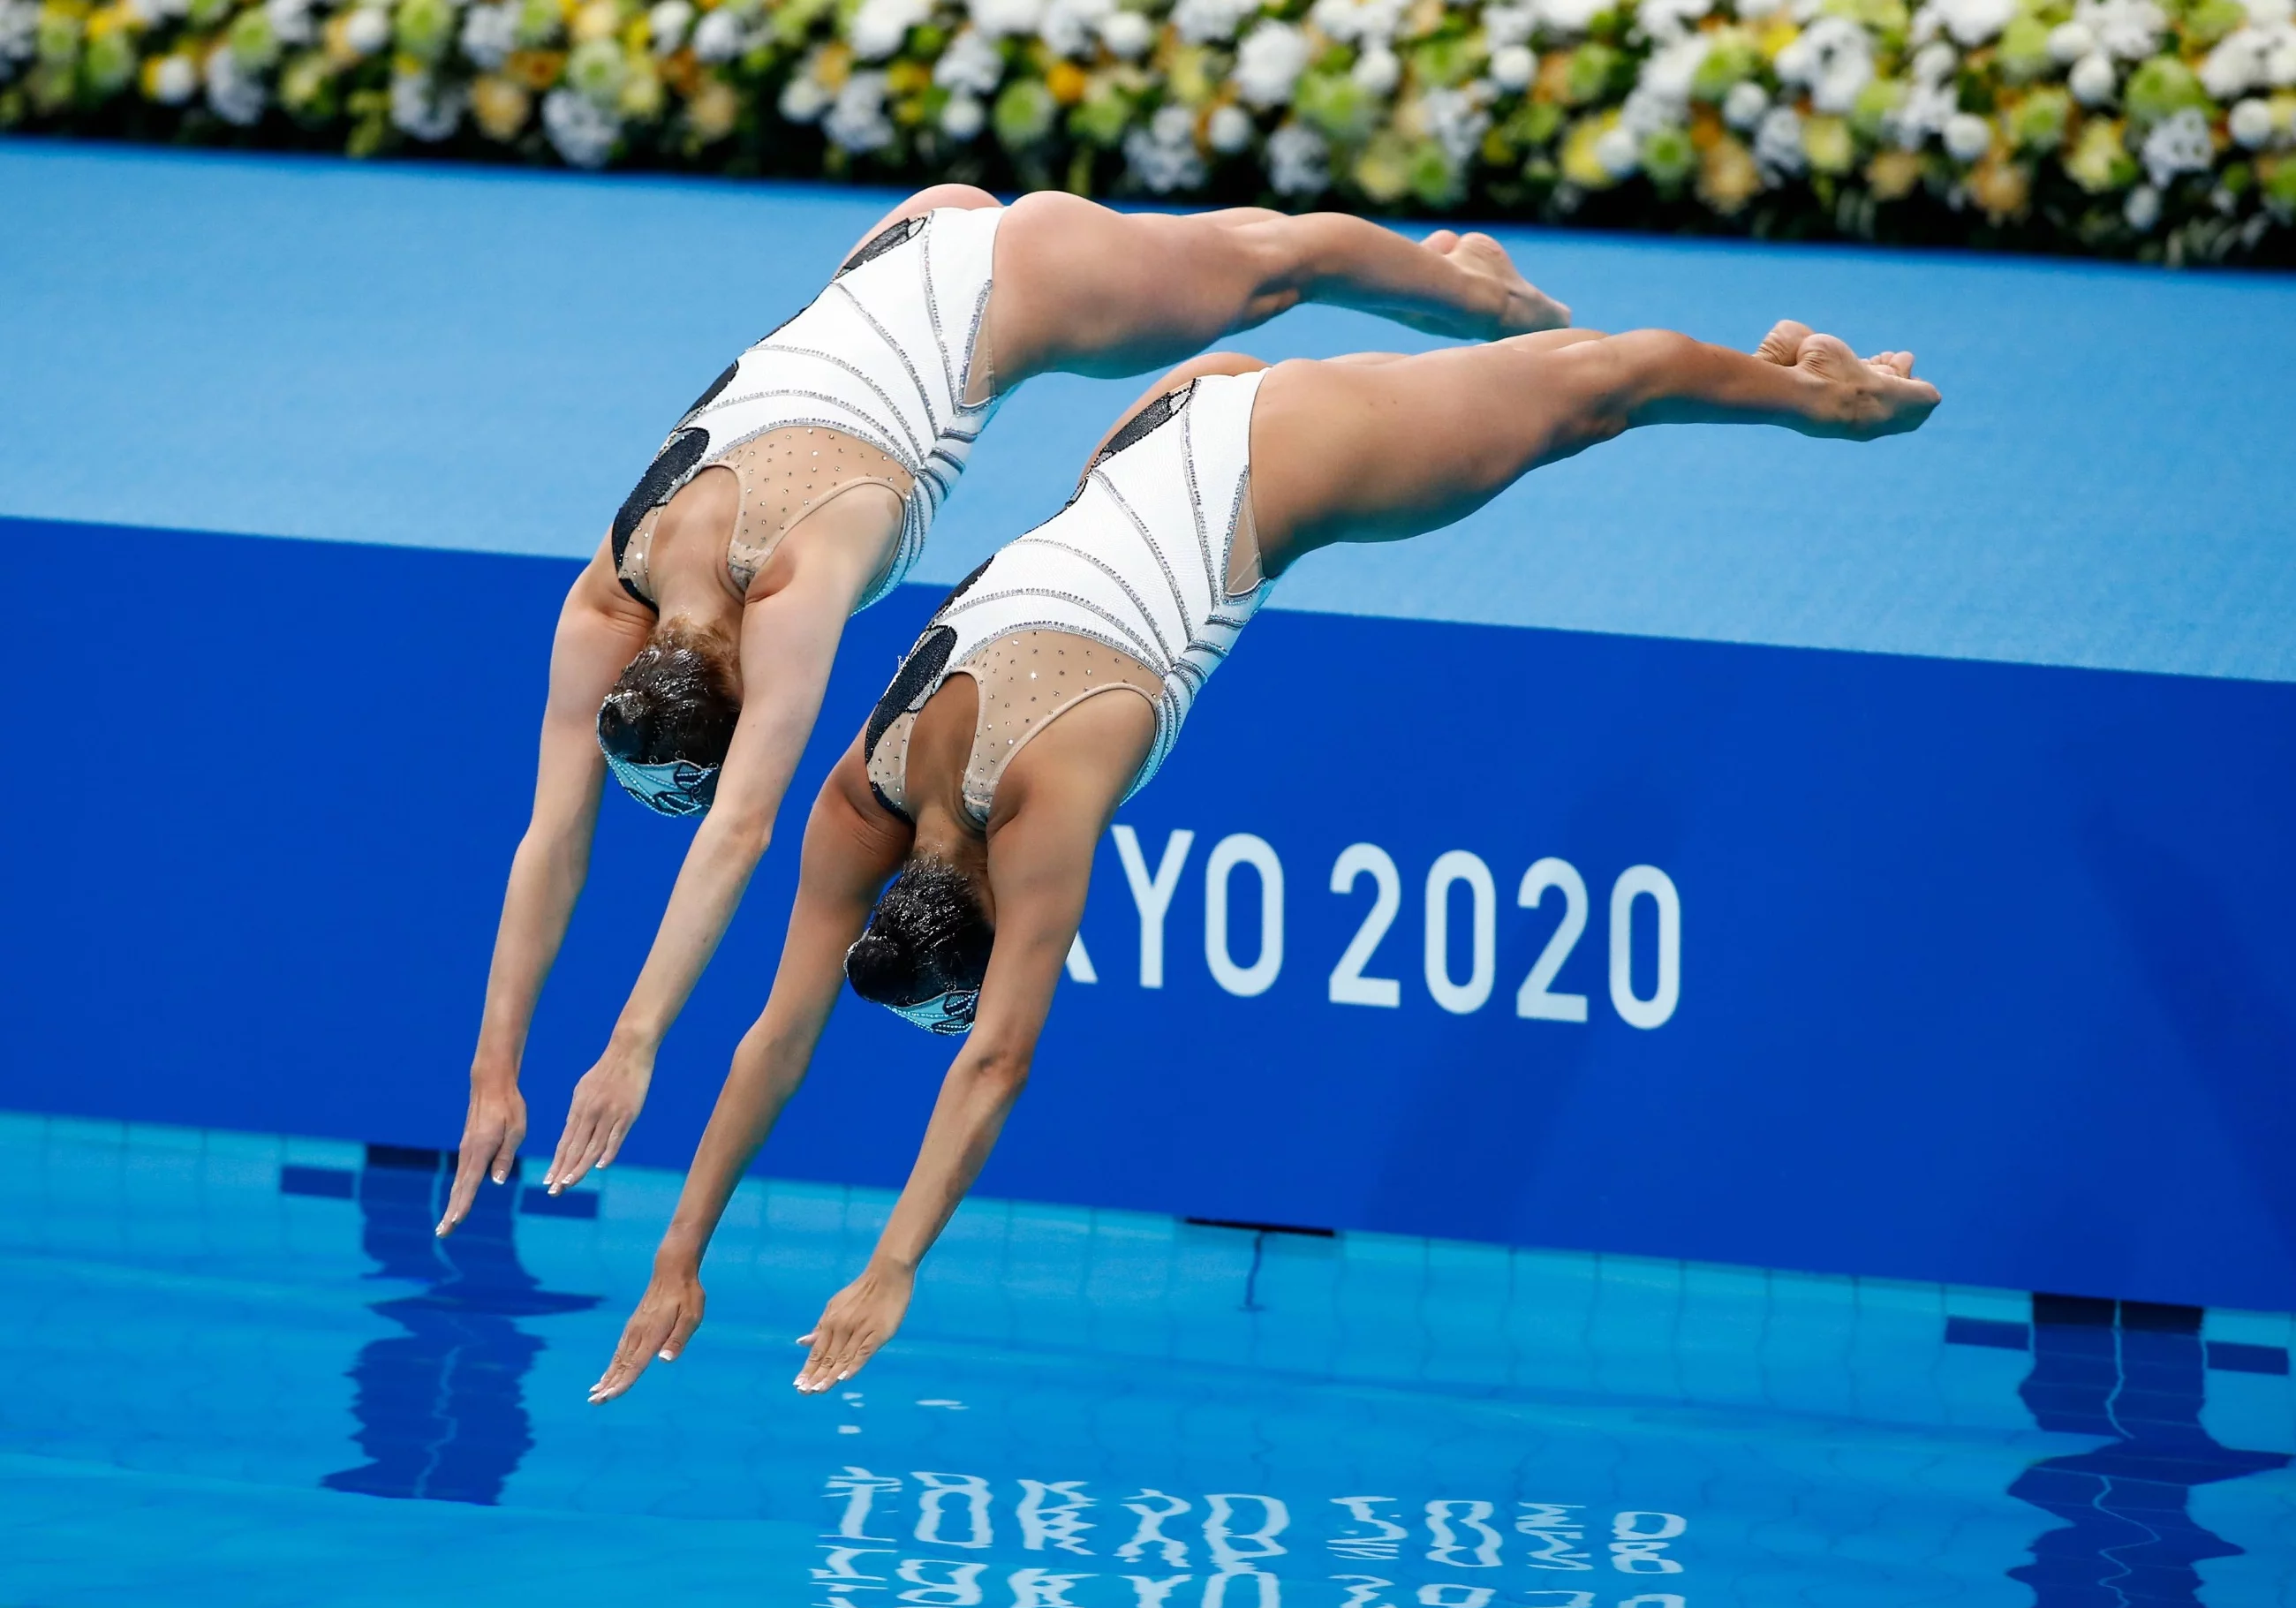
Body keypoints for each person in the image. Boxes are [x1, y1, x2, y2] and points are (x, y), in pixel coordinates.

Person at [580, 317, 1940, 1403]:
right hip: (1145, 442)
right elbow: (775, 1032)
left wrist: (893, 1269)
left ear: (985, 908)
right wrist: (677, 1253)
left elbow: (993, 1059)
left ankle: (1850, 400)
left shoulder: (1047, 802)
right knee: (1534, 388)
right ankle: (1534, 317)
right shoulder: (861, 797)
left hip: (1258, 468)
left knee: (1590, 394)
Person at [439, 186, 1570, 1237]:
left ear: (728, 683)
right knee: (1256, 270)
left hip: (1002, 276)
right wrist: (498, 1067)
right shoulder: (609, 590)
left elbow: (739, 826)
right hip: (886, 254)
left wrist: (633, 1042)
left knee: (1275, 269)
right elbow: (556, 836)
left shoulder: (790, 585)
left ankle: (1483, 296)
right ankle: (1450, 290)